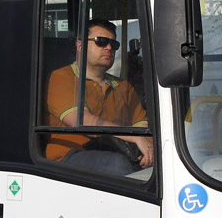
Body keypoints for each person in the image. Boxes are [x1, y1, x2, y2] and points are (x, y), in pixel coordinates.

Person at [45, 19, 152, 173]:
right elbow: (83, 121)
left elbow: (141, 124)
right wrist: (135, 137)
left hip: (113, 152)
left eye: (114, 44)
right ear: (80, 46)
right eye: (100, 41)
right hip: (67, 158)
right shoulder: (60, 78)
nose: (109, 47)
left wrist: (148, 148)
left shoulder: (123, 87)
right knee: (116, 164)